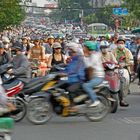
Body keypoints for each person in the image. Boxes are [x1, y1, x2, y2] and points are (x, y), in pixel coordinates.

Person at [82, 41, 105, 107]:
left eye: (85, 47)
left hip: (98, 77)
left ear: (88, 48)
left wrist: (84, 57)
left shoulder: (94, 56)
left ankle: (95, 101)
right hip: (93, 76)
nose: (83, 48)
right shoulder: (91, 55)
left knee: (86, 86)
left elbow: (89, 67)